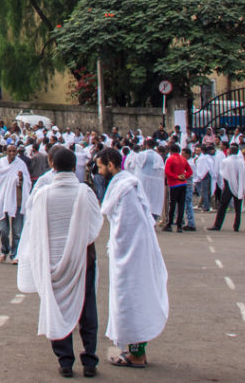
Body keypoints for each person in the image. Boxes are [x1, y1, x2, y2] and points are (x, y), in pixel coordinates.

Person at [17, 148, 103, 379]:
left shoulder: (43, 195)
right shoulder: (85, 193)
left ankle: (65, 360)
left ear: (52, 165)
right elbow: (96, 225)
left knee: (56, 306)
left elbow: (34, 229)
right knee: (87, 307)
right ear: (75, 167)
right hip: (83, 258)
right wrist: (76, 241)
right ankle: (90, 359)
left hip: (52, 260)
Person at [95, 147, 168, 369]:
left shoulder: (125, 187)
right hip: (132, 253)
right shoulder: (125, 183)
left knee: (132, 302)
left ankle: (137, 355)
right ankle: (135, 351)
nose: (98, 172)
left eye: (100, 167)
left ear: (110, 164)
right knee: (131, 301)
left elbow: (129, 226)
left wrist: (119, 252)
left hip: (132, 256)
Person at [0, 143, 32, 263]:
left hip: (17, 199)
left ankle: (15, 254)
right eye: (10, 151)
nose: (12, 154)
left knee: (17, 230)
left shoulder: (21, 164)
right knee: (3, 230)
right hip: (3, 199)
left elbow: (27, 181)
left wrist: (20, 179)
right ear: (6, 152)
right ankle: (5, 249)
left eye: (14, 151)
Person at [208, 145, 245, 232]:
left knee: (222, 206)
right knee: (238, 207)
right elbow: (243, 175)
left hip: (228, 184)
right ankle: (236, 226)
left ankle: (217, 225)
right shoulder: (241, 162)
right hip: (239, 185)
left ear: (230, 151)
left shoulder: (226, 161)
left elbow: (223, 174)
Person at [162, 144, 191, 233]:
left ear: (171, 151)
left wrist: (176, 177)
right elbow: (190, 171)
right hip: (183, 184)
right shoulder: (183, 159)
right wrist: (184, 176)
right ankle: (179, 225)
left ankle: (170, 224)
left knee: (172, 204)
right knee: (181, 205)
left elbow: (167, 172)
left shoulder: (170, 159)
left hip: (174, 184)